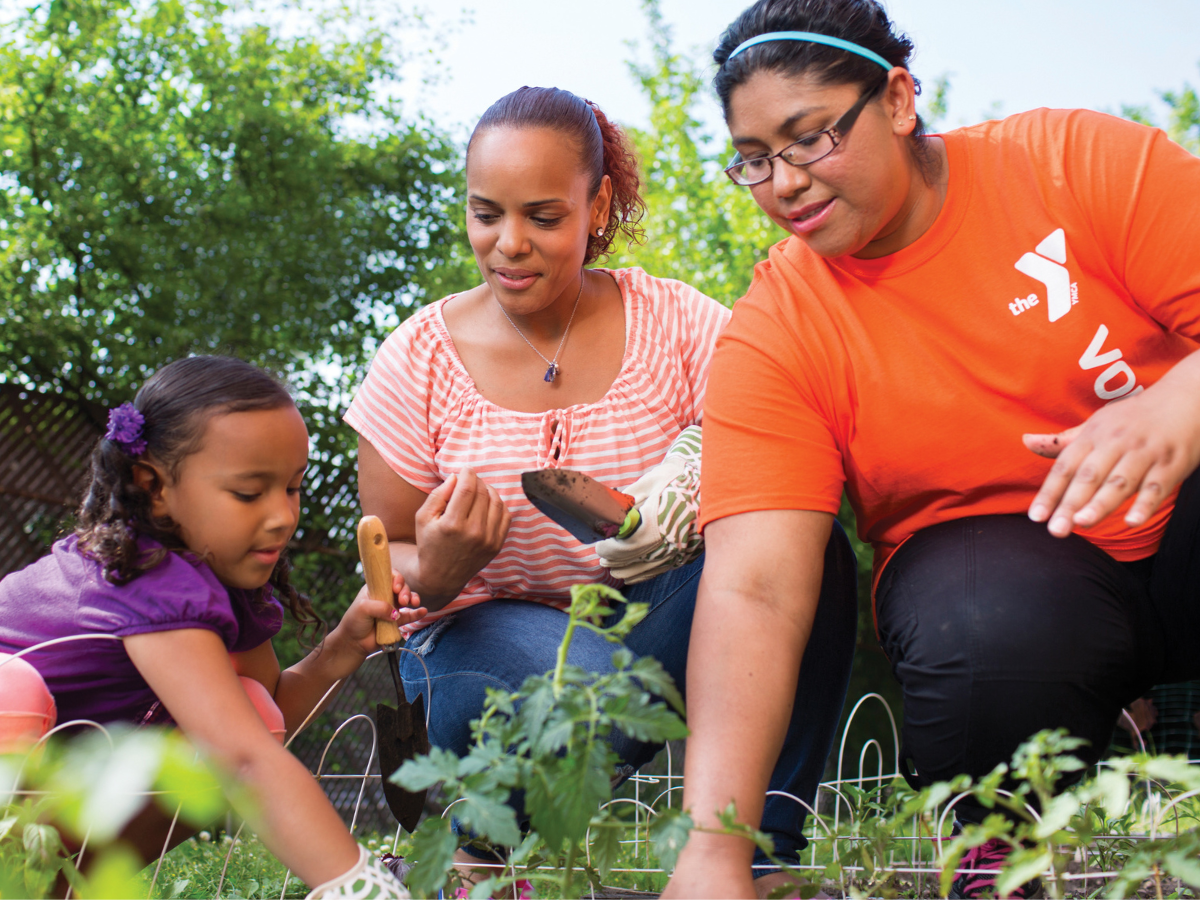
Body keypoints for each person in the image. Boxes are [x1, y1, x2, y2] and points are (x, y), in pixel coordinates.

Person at [662, 1, 1200, 898]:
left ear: (899, 99)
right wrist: (714, 850)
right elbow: (754, 586)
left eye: (808, 139)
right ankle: (1003, 860)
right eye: (754, 160)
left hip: (1183, 527)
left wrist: (1180, 401)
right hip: (1015, 591)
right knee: (979, 625)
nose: (783, 182)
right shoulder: (777, 331)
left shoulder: (1073, 164)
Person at [347, 86, 859, 896]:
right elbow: (386, 552)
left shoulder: (680, 325)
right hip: (472, 641)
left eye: (543, 218)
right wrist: (436, 571)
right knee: (595, 683)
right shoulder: (419, 359)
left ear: (598, 205)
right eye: (486, 214)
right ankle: (477, 848)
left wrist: (682, 498)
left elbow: (774, 468)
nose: (508, 244)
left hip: (653, 613)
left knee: (811, 547)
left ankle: (763, 861)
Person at [0, 356, 420, 899]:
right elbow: (245, 759)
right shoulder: (145, 576)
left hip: (56, 784)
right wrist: (360, 885)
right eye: (249, 493)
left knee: (251, 710)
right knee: (15, 693)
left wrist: (342, 646)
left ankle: (61, 888)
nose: (282, 516)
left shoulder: (219, 578)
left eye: (292, 488)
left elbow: (265, 719)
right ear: (153, 486)